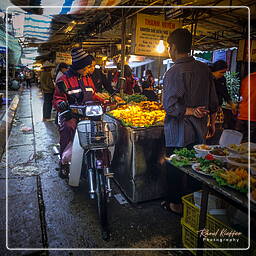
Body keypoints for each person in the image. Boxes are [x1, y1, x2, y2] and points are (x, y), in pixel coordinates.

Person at [162, 28, 218, 215]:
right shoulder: (204, 69)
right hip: (199, 130)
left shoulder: (173, 72)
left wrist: (190, 110)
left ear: (174, 47)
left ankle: (176, 206)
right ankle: (195, 204)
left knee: (175, 168)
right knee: (197, 167)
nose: (169, 50)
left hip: (178, 131)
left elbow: (170, 106)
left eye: (169, 46)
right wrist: (212, 122)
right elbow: (213, 101)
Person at [53, 48, 105, 177]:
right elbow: (57, 98)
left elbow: (92, 94)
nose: (89, 70)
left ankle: (98, 158)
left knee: (99, 132)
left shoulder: (87, 78)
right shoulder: (63, 80)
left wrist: (105, 100)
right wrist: (61, 104)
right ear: (79, 66)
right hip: (70, 114)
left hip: (87, 114)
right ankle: (64, 163)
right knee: (68, 129)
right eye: (87, 67)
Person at [235, 72, 256, 142]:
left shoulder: (248, 78)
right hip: (253, 117)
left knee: (237, 140)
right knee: (249, 143)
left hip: (242, 114)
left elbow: (242, 94)